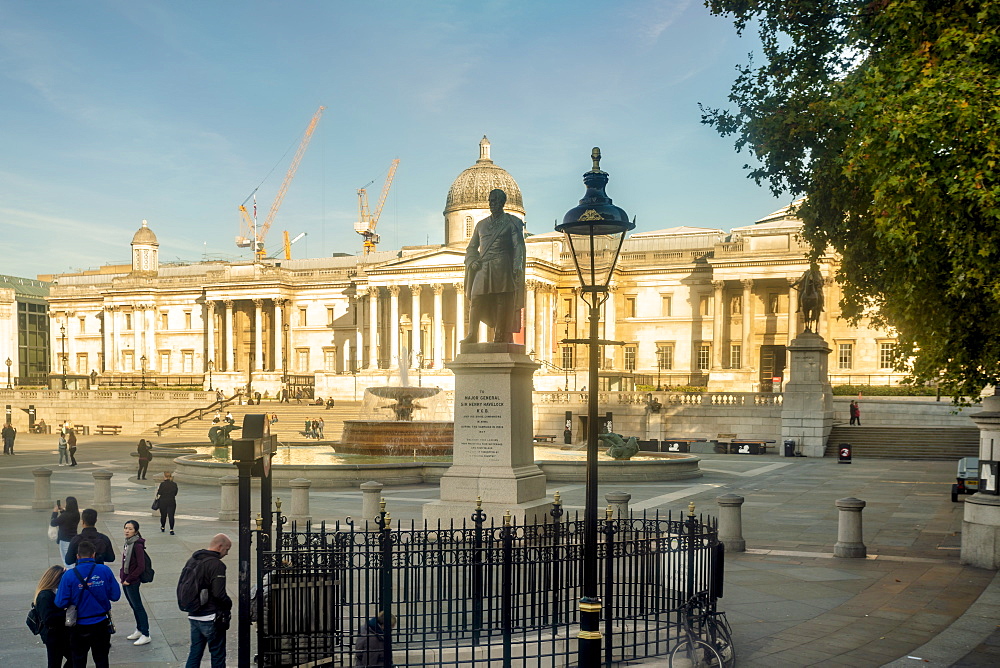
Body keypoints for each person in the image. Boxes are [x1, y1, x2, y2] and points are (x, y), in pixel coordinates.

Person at [461, 188, 526, 344]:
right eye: (490, 201)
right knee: (475, 298)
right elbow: (471, 247)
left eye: (495, 201)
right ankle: (472, 334)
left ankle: (499, 334)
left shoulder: (511, 223)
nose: (492, 204)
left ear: (502, 203)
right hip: (483, 266)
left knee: (501, 300)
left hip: (502, 265)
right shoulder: (481, 225)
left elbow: (518, 246)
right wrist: (473, 260)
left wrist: (517, 265)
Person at [55, 540, 121, 668]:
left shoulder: (69, 575)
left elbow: (60, 602)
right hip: (101, 623)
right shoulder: (104, 570)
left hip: (78, 625)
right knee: (102, 660)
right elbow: (115, 596)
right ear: (93, 555)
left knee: (78, 661)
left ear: (77, 556)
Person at [181, 533, 233, 668]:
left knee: (195, 653)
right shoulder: (216, 565)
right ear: (220, 546)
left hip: (194, 614)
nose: (226, 553)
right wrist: (229, 604)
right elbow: (218, 593)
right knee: (217, 654)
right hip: (210, 616)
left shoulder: (193, 560)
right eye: (227, 549)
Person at [120, 520, 151, 645]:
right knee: (133, 606)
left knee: (138, 606)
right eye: (126, 528)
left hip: (132, 581)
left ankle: (146, 633)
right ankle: (139, 629)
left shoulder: (137, 545)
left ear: (136, 531)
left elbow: (141, 566)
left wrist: (129, 579)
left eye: (130, 529)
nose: (127, 531)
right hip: (126, 580)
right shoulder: (128, 543)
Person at [34, 564, 70, 668]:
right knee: (55, 662)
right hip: (53, 635)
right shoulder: (45, 596)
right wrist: (66, 613)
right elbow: (48, 618)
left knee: (69, 658)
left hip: (57, 634)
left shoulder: (50, 593)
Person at [51, 496, 80, 566]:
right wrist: (62, 510)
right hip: (74, 539)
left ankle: (70, 574)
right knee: (72, 559)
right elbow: (67, 517)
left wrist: (54, 513)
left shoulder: (65, 516)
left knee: (66, 560)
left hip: (64, 540)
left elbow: (53, 523)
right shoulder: (76, 514)